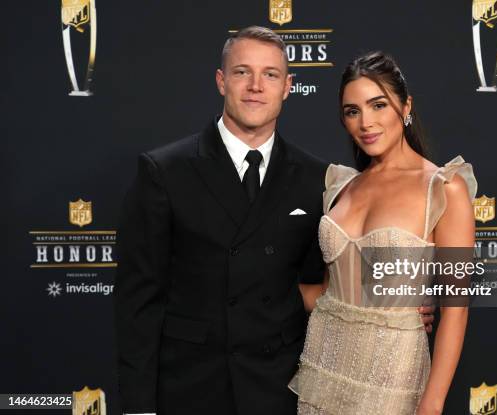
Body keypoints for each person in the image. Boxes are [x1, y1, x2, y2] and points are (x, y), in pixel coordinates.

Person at [114, 28, 434, 415]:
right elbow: (138, 305)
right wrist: (138, 408)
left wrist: (397, 301)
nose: (255, 86)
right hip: (192, 388)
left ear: (287, 87)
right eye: (241, 72)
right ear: (221, 81)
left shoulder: (320, 179)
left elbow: (329, 282)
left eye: (269, 75)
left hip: (284, 388)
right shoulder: (165, 171)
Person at [289, 51, 477, 415]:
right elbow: (329, 291)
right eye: (352, 111)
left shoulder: (443, 188)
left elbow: (456, 307)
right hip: (323, 364)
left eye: (378, 105)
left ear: (405, 108)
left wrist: (432, 404)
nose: (366, 123)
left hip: (394, 375)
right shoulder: (339, 186)